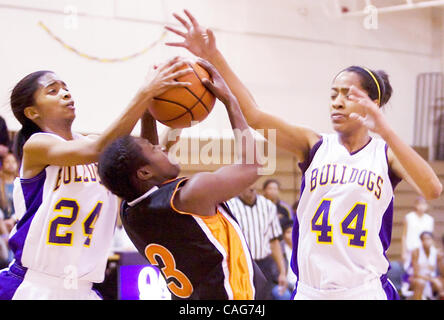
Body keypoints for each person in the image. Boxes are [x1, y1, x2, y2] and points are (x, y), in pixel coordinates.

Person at [165, 10, 443, 300]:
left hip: (364, 290)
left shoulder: (385, 154)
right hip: (311, 291)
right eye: (333, 94)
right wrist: (213, 56)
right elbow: (255, 116)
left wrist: (385, 130)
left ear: (373, 103)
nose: (337, 102)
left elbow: (433, 189)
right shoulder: (314, 144)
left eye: (348, 95)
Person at [0, 57, 193, 300]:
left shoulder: (93, 145)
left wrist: (159, 113)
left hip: (84, 290)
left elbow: (149, 162)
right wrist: (144, 92)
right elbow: (97, 149)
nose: (65, 93)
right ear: (32, 112)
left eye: (66, 87)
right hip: (33, 285)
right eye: (53, 90)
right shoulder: (38, 145)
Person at [97, 59, 267, 300]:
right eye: (155, 149)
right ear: (145, 172)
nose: (163, 147)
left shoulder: (129, 212)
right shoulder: (192, 194)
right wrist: (230, 100)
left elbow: (144, 165)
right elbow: (253, 165)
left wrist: (150, 106)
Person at [227, 186, 287, 300]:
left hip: (264, 264)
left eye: (253, 182)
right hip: (240, 265)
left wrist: (282, 272)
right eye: (247, 183)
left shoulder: (268, 206)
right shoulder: (230, 206)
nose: (251, 187)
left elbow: (274, 241)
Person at [407, 231, 444, 299]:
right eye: (423, 239)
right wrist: (432, 280)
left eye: (428, 239)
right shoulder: (416, 252)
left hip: (430, 279)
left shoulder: (436, 252)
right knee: (420, 282)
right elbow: (416, 273)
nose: (426, 241)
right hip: (415, 278)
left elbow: (441, 272)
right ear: (421, 241)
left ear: (433, 240)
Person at [401, 196, 434, 270]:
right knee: (409, 270)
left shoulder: (430, 219)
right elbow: (404, 236)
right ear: (415, 205)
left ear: (427, 206)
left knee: (423, 270)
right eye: (419, 204)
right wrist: (403, 252)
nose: (421, 206)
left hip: (423, 250)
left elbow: (431, 237)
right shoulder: (409, 217)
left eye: (424, 204)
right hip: (411, 249)